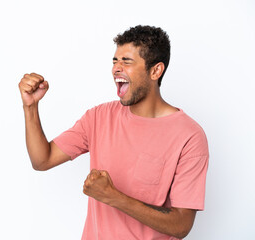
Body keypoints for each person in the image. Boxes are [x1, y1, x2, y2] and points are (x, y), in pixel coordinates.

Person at [18, 25, 209, 240]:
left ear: (155, 70)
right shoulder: (98, 117)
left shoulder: (189, 136)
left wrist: (113, 197)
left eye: (126, 61)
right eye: (114, 61)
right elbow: (42, 160)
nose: (116, 69)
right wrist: (30, 107)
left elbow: (181, 225)